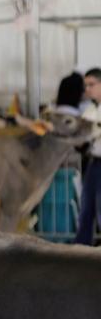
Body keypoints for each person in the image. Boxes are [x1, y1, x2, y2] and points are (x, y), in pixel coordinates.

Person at [74, 67, 101, 245]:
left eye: (91, 84)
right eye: (86, 85)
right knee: (86, 210)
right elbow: (80, 141)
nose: (87, 89)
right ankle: (81, 253)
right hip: (93, 163)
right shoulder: (89, 112)